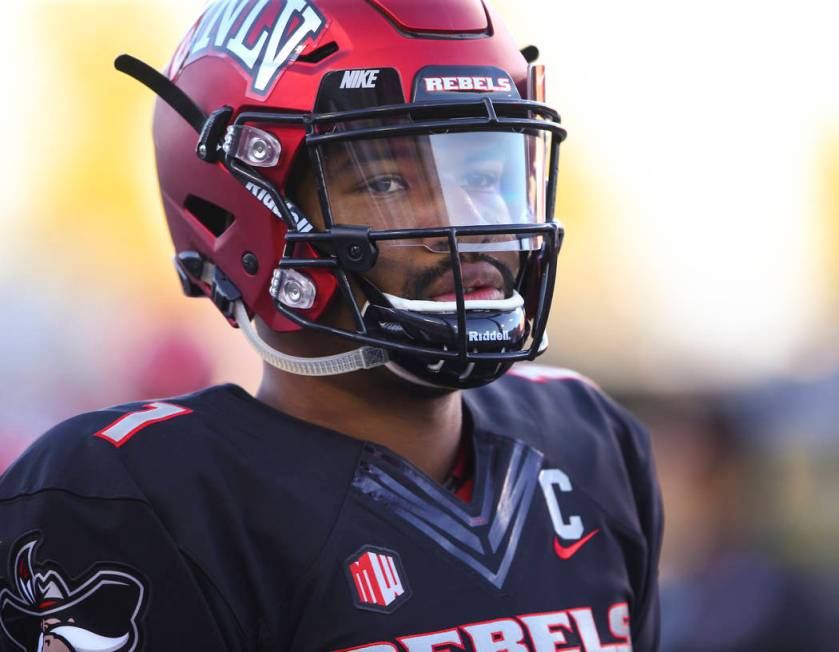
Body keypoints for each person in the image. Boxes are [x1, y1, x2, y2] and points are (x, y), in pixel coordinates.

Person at [0, 1, 662, 650]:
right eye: (385, 185)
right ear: (245, 209)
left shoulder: (589, 443)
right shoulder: (140, 499)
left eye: (484, 173)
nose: (469, 223)